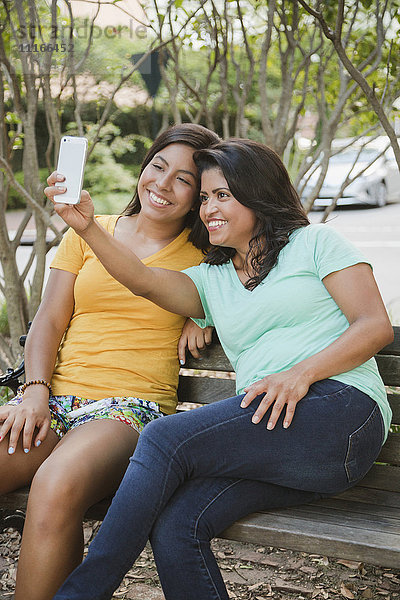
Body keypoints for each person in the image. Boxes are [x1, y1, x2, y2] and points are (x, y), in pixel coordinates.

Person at [51, 138, 393, 600]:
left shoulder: (315, 243)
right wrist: (89, 228)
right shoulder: (210, 280)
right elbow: (144, 280)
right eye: (206, 197)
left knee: (163, 437)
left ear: (257, 195)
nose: (209, 208)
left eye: (223, 195)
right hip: (277, 436)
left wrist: (301, 374)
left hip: (340, 413)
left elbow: (374, 326)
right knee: (178, 524)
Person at [0, 123, 219, 600]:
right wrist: (35, 391)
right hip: (54, 399)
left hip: (129, 410)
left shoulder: (208, 256)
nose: (162, 184)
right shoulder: (88, 233)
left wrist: (207, 315)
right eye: (158, 166)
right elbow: (48, 320)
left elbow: (250, 288)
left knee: (55, 484)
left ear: (200, 194)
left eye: (184, 179)